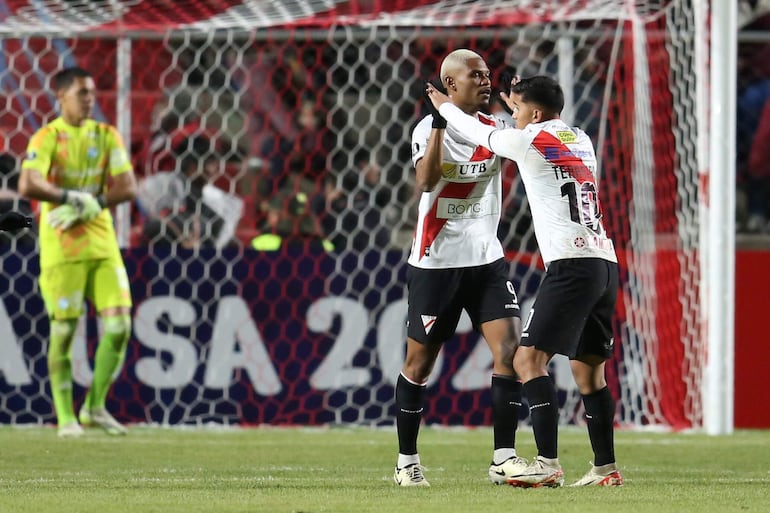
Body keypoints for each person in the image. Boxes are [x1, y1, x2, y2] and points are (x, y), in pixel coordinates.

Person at [426, 74, 624, 487]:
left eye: (515, 110)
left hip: (571, 265)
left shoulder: (529, 140)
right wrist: (519, 102)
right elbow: (527, 120)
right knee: (589, 373)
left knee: (527, 360)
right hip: (604, 261)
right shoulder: (580, 138)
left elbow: (477, 129)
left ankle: (547, 463)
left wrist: (443, 105)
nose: (509, 117)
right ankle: (605, 468)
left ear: (534, 114)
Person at [393, 49, 525, 488]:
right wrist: (439, 122)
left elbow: (532, 142)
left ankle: (503, 458)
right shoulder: (426, 129)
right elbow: (427, 181)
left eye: (488, 75)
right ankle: (406, 461)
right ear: (450, 85)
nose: (486, 81)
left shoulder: (498, 127)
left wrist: (522, 108)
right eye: (476, 76)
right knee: (419, 364)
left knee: (509, 352)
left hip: (486, 260)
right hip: (437, 263)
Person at [18, 66, 136, 437]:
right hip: (62, 245)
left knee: (119, 327)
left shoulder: (106, 134)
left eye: (92, 93)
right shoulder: (48, 137)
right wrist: (69, 197)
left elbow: (128, 186)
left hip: (101, 241)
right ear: (62, 96)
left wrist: (94, 201)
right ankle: (66, 417)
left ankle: (95, 406)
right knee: (65, 331)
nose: (90, 99)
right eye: (82, 93)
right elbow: (28, 182)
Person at [136, 135, 242, 249]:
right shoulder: (165, 184)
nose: (214, 169)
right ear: (193, 166)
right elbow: (155, 217)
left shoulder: (212, 197)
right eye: (210, 163)